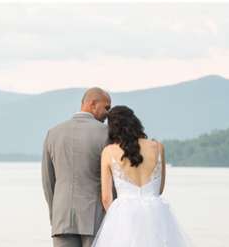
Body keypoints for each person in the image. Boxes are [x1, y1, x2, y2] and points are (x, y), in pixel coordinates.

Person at [92, 105, 193, 247]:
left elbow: (106, 197)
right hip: (156, 213)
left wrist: (115, 218)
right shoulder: (158, 147)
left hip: (124, 214)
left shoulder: (109, 152)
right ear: (135, 122)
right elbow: (160, 189)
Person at [41, 87, 111, 247]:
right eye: (106, 107)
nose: (108, 113)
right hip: (95, 219)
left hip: (61, 218)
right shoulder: (107, 133)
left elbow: (48, 182)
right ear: (93, 104)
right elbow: (111, 180)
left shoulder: (53, 133)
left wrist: (55, 215)